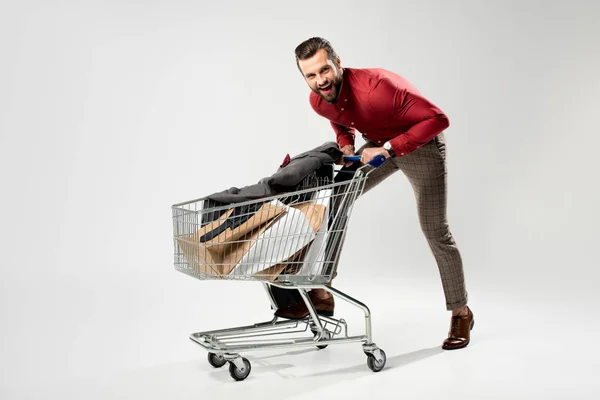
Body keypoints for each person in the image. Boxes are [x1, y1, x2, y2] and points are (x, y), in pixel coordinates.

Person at [275, 37, 474, 350]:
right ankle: (323, 293)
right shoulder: (318, 99)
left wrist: (391, 148)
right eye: (311, 76)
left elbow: (438, 119)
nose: (321, 80)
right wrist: (346, 145)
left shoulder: (377, 88)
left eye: (325, 70)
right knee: (337, 200)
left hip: (421, 148)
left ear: (338, 64)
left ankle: (461, 312)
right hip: (379, 146)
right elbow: (340, 120)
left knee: (435, 230)